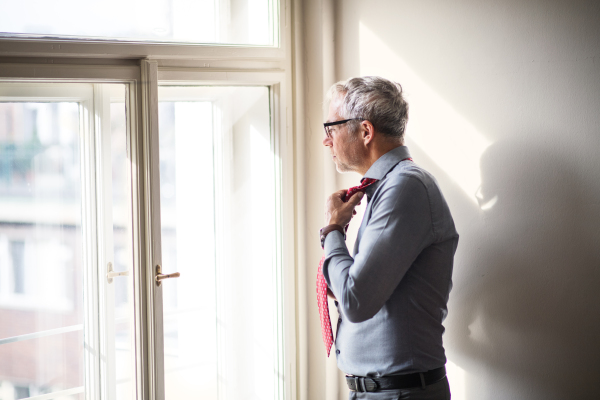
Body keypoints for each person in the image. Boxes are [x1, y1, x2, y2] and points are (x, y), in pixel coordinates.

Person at [320, 76, 458, 399]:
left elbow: (355, 300)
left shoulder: (404, 188)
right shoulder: (386, 191)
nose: (326, 141)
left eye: (332, 128)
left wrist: (332, 231)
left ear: (366, 132)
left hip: (400, 393)